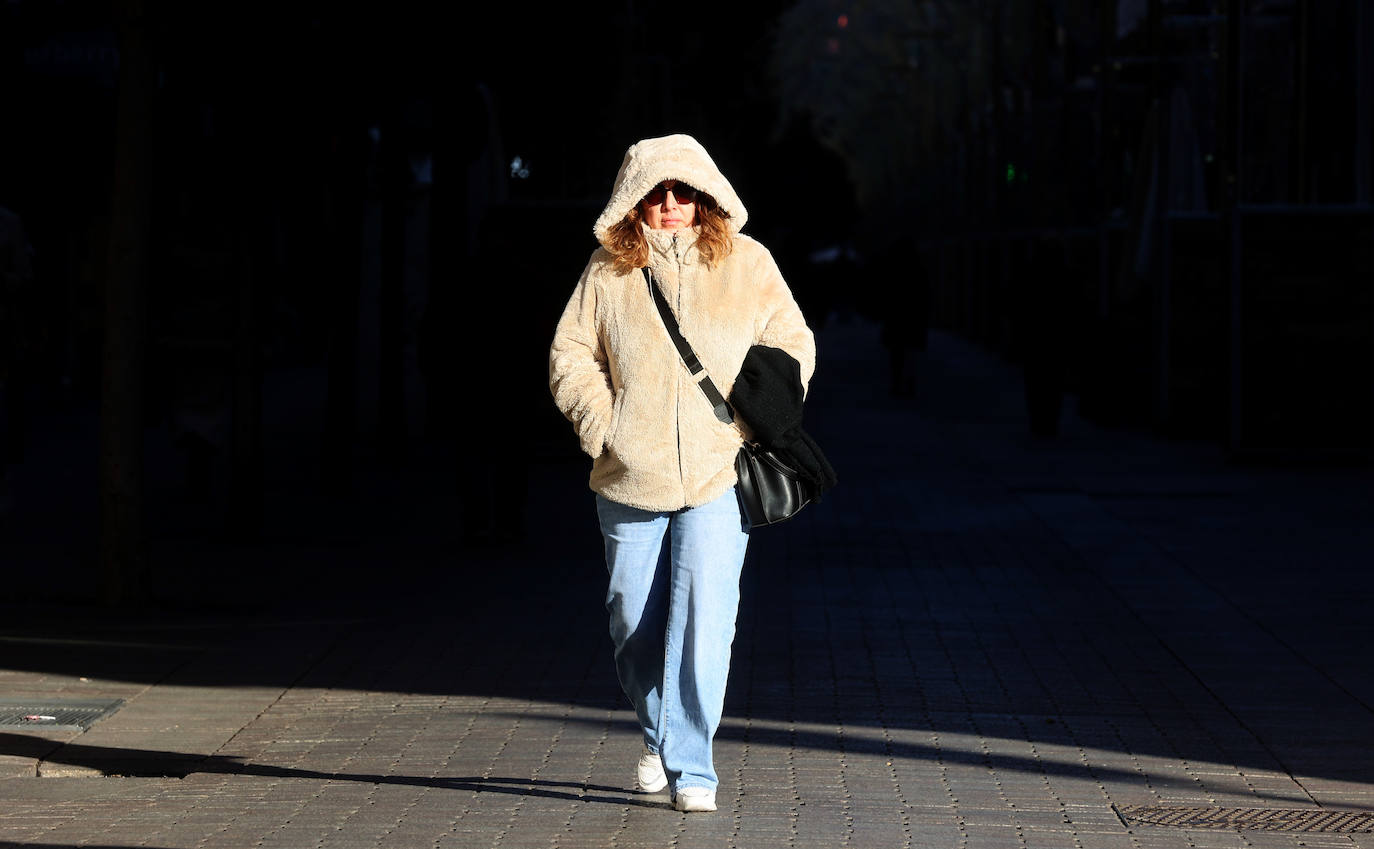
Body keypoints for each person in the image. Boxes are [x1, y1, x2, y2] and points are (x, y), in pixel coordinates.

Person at [549, 134, 817, 812]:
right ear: (635, 199)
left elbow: (792, 342)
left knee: (704, 619)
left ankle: (691, 764)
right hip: (626, 473)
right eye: (656, 193)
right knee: (628, 621)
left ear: (705, 196)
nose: (670, 205)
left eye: (684, 192)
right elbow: (570, 354)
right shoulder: (606, 271)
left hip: (715, 474)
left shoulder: (748, 263)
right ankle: (662, 732)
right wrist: (603, 426)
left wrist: (750, 421)